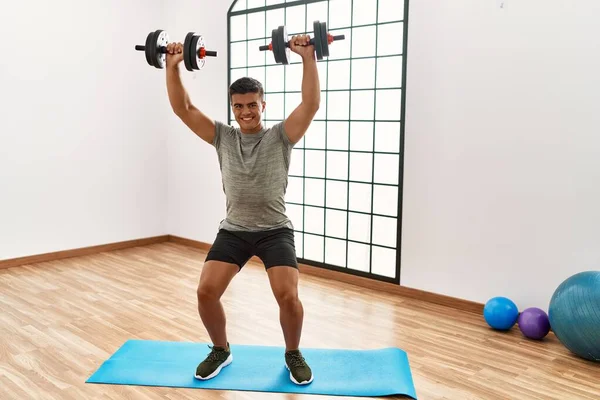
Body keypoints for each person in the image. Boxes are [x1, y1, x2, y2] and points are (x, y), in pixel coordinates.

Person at [164, 33, 320, 385]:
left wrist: (307, 58)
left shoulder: (281, 136)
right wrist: (172, 66)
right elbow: (183, 109)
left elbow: (310, 105)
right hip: (234, 229)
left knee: (288, 295)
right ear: (232, 108)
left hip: (274, 230)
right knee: (205, 292)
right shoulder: (223, 136)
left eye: (252, 105)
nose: (246, 112)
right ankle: (221, 349)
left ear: (263, 105)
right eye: (239, 106)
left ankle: (292, 352)